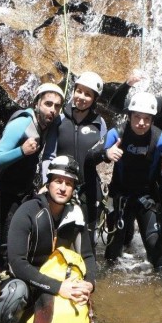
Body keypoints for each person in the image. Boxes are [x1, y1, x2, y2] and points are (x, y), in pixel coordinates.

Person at [87, 91, 162, 271]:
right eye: (137, 117)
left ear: (152, 119)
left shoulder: (159, 137)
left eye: (146, 118)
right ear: (129, 116)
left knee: (155, 248)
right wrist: (106, 154)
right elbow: (89, 157)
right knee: (113, 250)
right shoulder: (117, 133)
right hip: (119, 197)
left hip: (146, 198)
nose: (141, 123)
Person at [0, 155, 96, 323]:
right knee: (15, 293)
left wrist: (89, 284)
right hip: (25, 279)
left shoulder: (76, 214)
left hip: (55, 278)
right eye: (58, 181)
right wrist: (58, 287)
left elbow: (87, 255)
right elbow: (16, 263)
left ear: (74, 189)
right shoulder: (28, 211)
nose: (63, 188)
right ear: (48, 183)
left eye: (69, 183)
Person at [108, 67, 162, 250]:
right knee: (125, 233)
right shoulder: (155, 105)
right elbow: (114, 106)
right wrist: (127, 85)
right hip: (148, 170)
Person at [0, 83, 64, 270]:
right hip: (3, 189)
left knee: (25, 236)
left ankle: (21, 272)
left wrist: (47, 181)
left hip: (25, 188)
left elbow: (48, 156)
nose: (52, 110)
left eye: (57, 106)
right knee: (6, 242)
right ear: (37, 103)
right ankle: (2, 282)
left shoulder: (51, 123)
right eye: (48, 104)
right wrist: (21, 151)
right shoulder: (21, 124)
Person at [41, 72, 107, 251]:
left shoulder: (99, 124)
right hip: (61, 187)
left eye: (88, 94)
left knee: (88, 242)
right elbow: (49, 155)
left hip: (89, 189)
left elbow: (103, 155)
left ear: (94, 99)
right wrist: (46, 183)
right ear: (73, 90)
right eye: (79, 91)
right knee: (57, 239)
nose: (82, 97)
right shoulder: (59, 119)